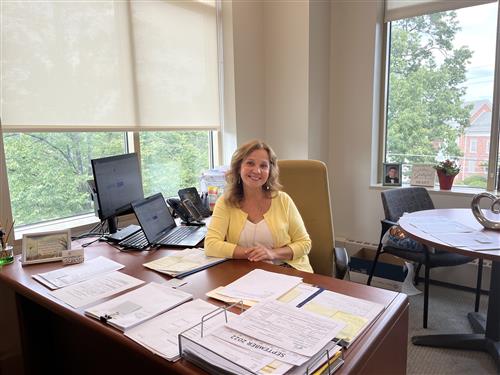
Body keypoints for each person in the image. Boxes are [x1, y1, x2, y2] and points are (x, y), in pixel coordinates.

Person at [204, 140, 313, 273]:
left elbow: (305, 244)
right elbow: (211, 245)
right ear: (239, 167)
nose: (257, 170)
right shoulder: (226, 202)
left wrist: (271, 253)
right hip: (246, 271)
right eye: (250, 163)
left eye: (263, 166)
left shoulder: (283, 200)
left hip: (287, 269)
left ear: (270, 171)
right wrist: (251, 253)